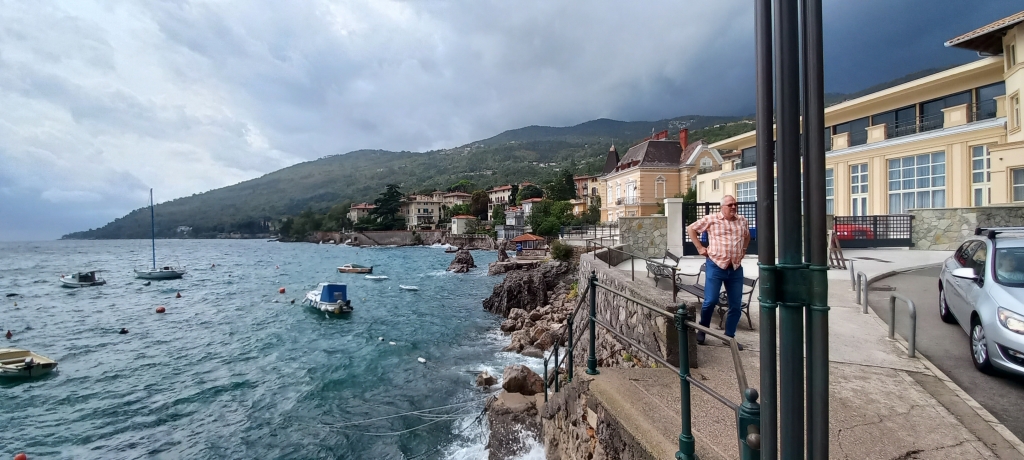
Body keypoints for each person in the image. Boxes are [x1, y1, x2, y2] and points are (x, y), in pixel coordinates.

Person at [686, 195, 751, 350]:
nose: (733, 207)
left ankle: (729, 337)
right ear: (722, 207)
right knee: (710, 301)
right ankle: (703, 330)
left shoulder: (742, 220)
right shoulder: (712, 219)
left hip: (735, 268)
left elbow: (747, 236)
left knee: (735, 305)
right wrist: (700, 248)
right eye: (730, 205)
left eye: (735, 204)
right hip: (715, 265)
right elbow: (691, 229)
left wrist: (743, 250)